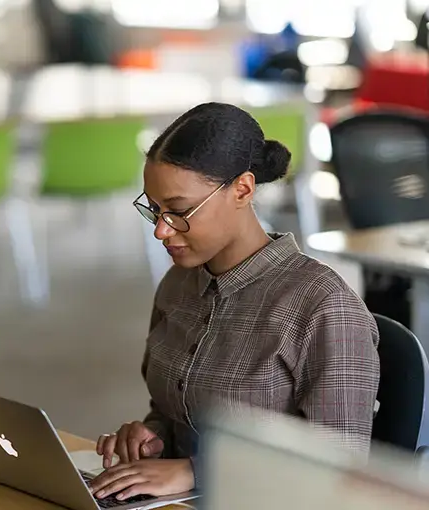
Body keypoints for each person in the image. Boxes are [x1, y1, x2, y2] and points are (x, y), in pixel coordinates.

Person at [89, 103, 380, 501]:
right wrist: (153, 437)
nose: (161, 230)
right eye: (154, 210)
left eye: (177, 211)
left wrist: (195, 472)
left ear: (242, 189)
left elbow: (339, 467)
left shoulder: (322, 307)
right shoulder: (178, 285)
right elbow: (170, 410)